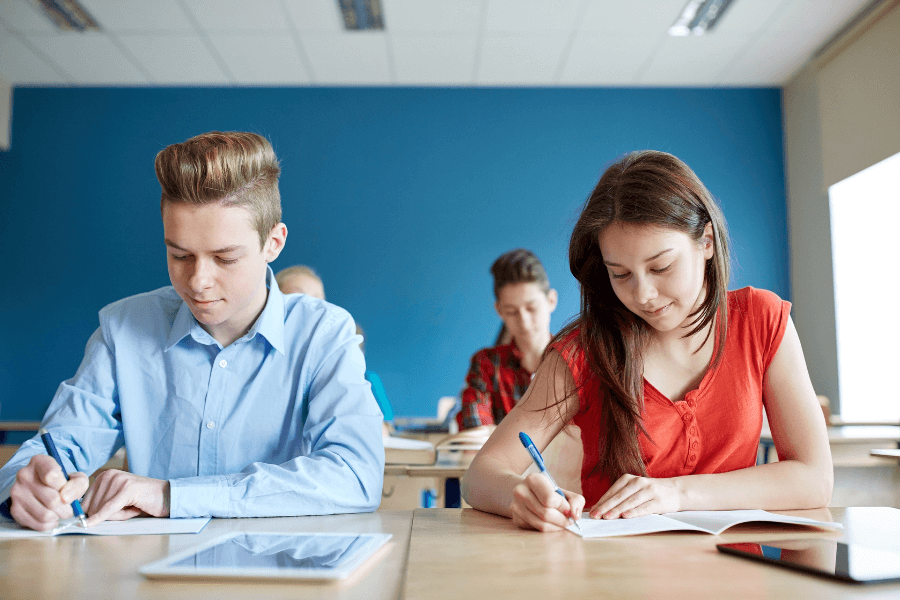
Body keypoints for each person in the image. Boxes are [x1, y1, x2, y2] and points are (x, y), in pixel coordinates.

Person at [0, 131, 384, 531]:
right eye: (179, 255)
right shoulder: (124, 328)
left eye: (225, 258)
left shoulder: (324, 332)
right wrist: (27, 486)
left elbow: (356, 475)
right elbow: (57, 447)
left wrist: (172, 496)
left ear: (273, 243)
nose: (198, 281)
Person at [462, 150, 832, 532]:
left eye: (661, 267)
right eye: (620, 274)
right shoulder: (584, 351)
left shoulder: (762, 320)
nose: (643, 295)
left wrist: (678, 494)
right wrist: (520, 494)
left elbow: (814, 479)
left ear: (706, 241)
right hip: (616, 577)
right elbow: (480, 476)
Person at [456, 249, 558, 431]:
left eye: (531, 308)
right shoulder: (486, 364)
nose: (524, 322)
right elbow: (474, 431)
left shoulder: (576, 360)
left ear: (551, 300)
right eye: (511, 312)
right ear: (499, 311)